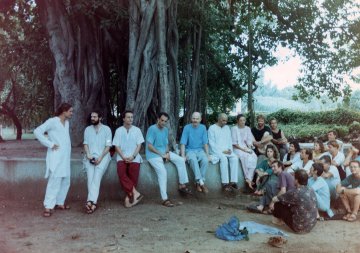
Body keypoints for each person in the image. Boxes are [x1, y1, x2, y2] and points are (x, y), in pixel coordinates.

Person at [33, 103, 73, 217]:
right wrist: (50, 144)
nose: (71, 113)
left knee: (66, 180)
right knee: (54, 180)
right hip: (56, 155)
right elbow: (37, 131)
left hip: (65, 156)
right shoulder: (52, 121)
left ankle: (59, 203)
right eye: (70, 111)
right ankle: (48, 206)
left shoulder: (67, 123)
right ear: (64, 111)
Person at [146, 112, 192, 207]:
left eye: (165, 121)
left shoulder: (166, 130)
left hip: (163, 153)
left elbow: (166, 144)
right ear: (158, 119)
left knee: (180, 160)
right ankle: (164, 199)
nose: (163, 122)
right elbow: (149, 146)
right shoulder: (152, 129)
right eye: (162, 120)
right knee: (163, 172)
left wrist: (167, 153)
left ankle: (182, 184)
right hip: (153, 155)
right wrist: (162, 155)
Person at [113, 110, 144, 208]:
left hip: (134, 157)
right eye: (128, 117)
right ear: (123, 119)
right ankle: (135, 193)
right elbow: (116, 146)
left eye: (132, 117)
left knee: (133, 177)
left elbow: (139, 145)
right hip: (122, 156)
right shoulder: (119, 130)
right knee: (121, 173)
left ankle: (129, 197)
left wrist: (133, 156)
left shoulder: (137, 130)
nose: (130, 119)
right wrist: (123, 157)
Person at [83, 110, 112, 214]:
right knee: (90, 177)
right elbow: (85, 144)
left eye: (95, 117)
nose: (92, 119)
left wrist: (100, 158)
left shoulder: (107, 129)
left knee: (97, 176)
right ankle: (92, 203)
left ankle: (90, 201)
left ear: (100, 118)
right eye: (92, 117)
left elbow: (108, 146)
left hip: (103, 156)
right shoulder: (87, 130)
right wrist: (88, 155)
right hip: (90, 156)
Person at [271, 169, 318, 234]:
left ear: (297, 180)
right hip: (311, 225)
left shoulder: (295, 192)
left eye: (294, 177)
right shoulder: (311, 189)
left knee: (278, 203)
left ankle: (277, 221)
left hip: (299, 227)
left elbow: (276, 199)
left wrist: (272, 203)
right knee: (289, 203)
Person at [208, 113, 239, 193]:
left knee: (234, 158)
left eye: (226, 121)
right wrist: (221, 151)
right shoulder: (212, 128)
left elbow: (229, 141)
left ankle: (233, 182)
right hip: (216, 151)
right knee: (223, 159)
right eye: (223, 120)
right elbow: (211, 143)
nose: (225, 122)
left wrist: (229, 150)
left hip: (226, 150)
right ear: (218, 119)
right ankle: (225, 183)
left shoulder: (227, 128)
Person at [180, 112, 210, 193]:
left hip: (200, 150)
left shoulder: (203, 128)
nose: (195, 120)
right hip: (189, 150)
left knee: (205, 160)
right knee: (193, 160)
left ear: (200, 119)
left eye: (197, 119)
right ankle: (201, 183)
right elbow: (183, 143)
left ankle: (198, 182)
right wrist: (183, 155)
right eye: (193, 118)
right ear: (191, 119)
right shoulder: (187, 127)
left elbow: (205, 143)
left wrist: (207, 155)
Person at [231, 114, 257, 191]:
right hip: (237, 148)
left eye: (244, 120)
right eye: (241, 120)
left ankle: (249, 179)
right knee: (244, 157)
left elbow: (249, 141)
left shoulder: (247, 129)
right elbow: (234, 144)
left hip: (245, 147)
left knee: (254, 156)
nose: (243, 122)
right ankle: (247, 178)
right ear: (237, 121)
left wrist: (250, 147)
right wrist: (243, 150)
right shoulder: (234, 129)